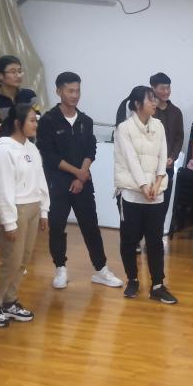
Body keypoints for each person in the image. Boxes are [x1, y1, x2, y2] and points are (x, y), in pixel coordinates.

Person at [36, 72, 122, 292]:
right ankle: (60, 268)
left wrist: (82, 174)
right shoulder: (48, 121)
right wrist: (77, 173)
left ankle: (101, 269)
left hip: (83, 183)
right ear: (59, 91)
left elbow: (90, 149)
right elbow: (49, 155)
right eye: (70, 91)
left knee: (90, 226)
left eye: (78, 90)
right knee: (57, 226)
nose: (75, 95)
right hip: (58, 183)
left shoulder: (85, 120)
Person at [0, 104, 49, 325]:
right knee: (11, 261)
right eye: (31, 120)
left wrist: (44, 210)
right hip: (16, 211)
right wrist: (8, 222)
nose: (35, 124)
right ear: (17, 123)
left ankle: (9, 301)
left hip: (33, 207)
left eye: (36, 120)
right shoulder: (4, 149)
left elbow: (40, 179)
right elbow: (2, 188)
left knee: (23, 260)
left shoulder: (31, 148)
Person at [114, 86, 176, 304]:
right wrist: (143, 186)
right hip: (132, 193)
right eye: (150, 100)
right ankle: (132, 279)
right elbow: (131, 160)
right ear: (137, 104)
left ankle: (157, 285)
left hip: (155, 193)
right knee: (129, 240)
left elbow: (162, 156)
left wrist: (157, 183)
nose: (155, 103)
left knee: (155, 241)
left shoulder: (158, 125)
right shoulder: (124, 128)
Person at [150, 72, 184, 241]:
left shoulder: (176, 112)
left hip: (167, 166)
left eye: (168, 88)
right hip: (149, 165)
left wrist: (173, 156)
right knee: (145, 204)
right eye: (162, 88)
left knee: (162, 204)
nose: (166, 91)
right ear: (153, 88)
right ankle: (139, 238)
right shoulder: (148, 110)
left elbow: (179, 137)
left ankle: (155, 239)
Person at [0, 55, 38, 120]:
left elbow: (37, 118)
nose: (18, 76)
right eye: (13, 72)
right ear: (0, 75)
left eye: (19, 71)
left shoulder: (30, 95)